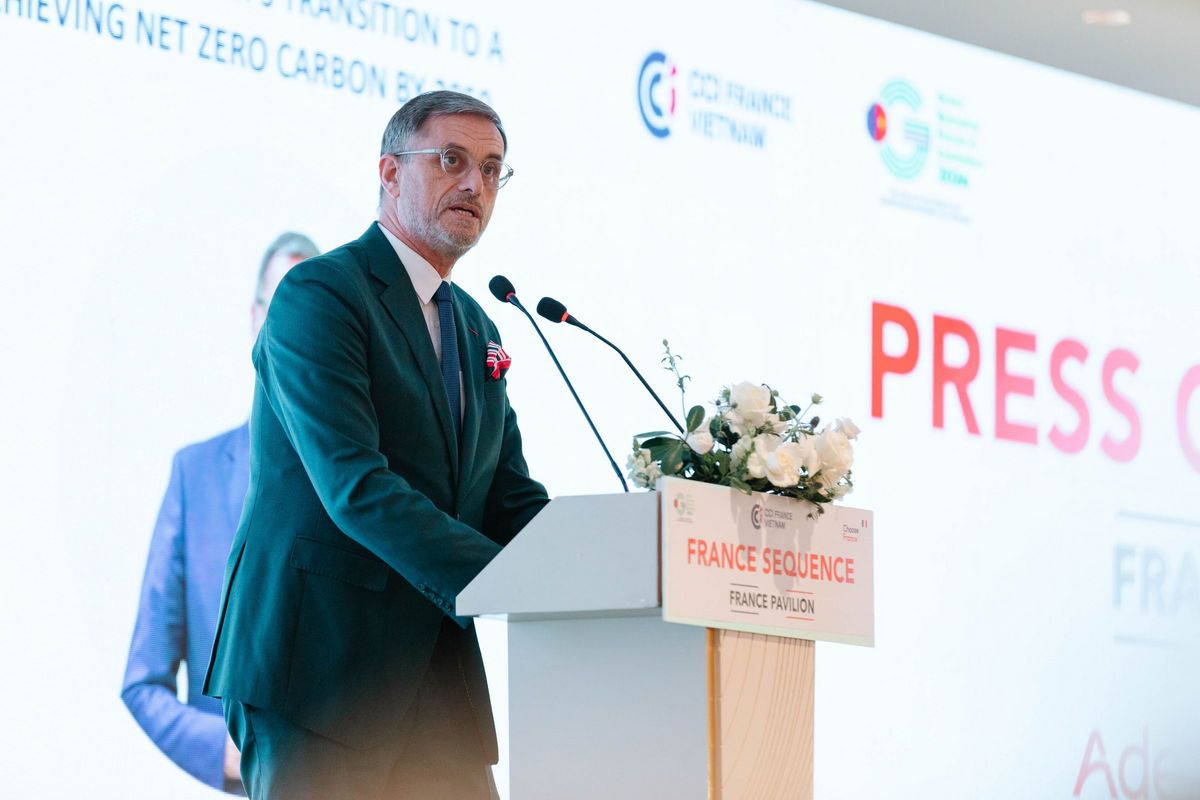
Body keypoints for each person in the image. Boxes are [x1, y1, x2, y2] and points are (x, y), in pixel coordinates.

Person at [203, 91, 550, 800]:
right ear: (390, 172)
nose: (475, 184)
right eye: (452, 160)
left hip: (439, 692)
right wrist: (511, 582)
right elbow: (355, 487)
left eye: (492, 169)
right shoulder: (320, 294)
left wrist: (612, 559)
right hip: (320, 674)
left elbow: (509, 498)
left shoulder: (478, 326)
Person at [121, 232, 320, 794]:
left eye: (312, 312)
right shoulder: (196, 476)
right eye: (279, 306)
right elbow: (143, 681)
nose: (294, 328)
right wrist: (229, 753)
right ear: (255, 319)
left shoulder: (373, 480)